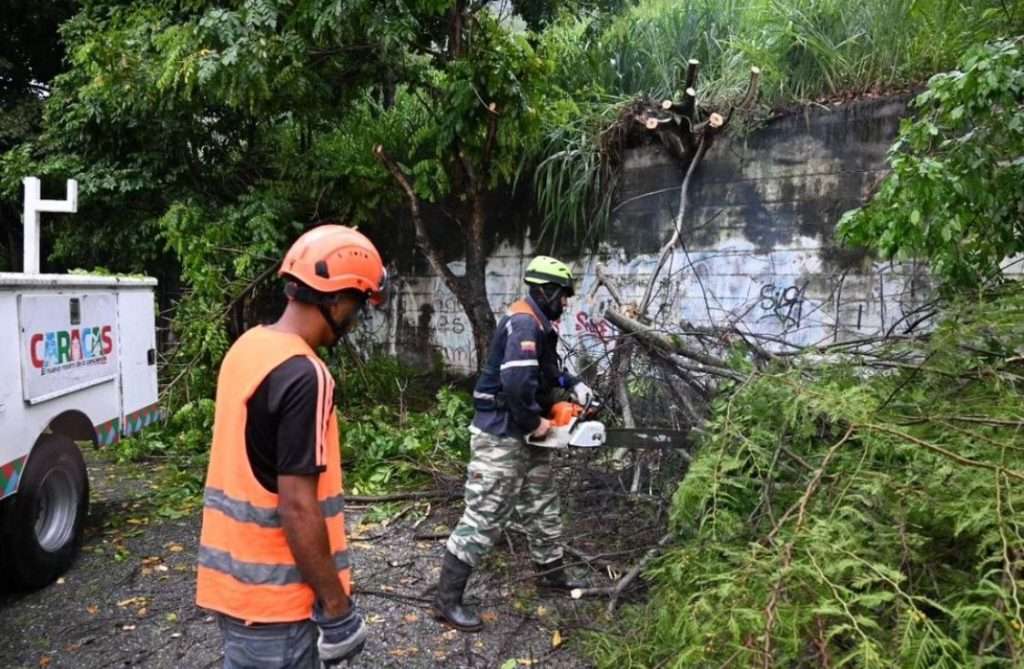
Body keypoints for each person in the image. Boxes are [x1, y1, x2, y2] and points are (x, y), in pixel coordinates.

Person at [196, 225, 387, 668]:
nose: (356, 318)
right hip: (280, 604)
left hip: (236, 592)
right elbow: (298, 505)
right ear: (336, 300)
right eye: (359, 303)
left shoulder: (248, 348)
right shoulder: (306, 374)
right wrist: (337, 609)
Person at [434, 256, 594, 632]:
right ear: (547, 291)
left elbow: (547, 372)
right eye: (564, 296)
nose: (567, 303)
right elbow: (516, 385)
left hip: (523, 431)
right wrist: (536, 422)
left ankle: (551, 574)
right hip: (502, 434)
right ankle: (446, 601)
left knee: (543, 505)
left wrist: (573, 385)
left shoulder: (540, 323)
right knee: (485, 515)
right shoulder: (524, 322)